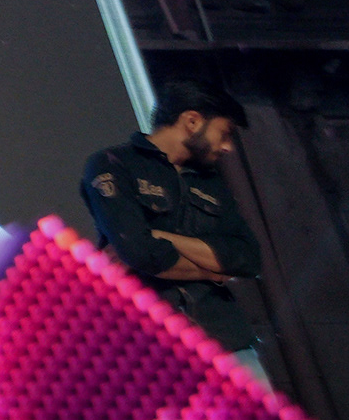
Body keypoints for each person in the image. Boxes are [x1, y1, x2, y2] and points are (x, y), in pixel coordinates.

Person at [80, 79, 279, 390]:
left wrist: (164, 236)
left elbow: (247, 258)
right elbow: (142, 253)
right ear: (192, 121)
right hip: (152, 352)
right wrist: (213, 271)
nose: (227, 147)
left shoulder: (211, 182)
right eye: (224, 133)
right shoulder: (113, 164)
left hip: (229, 344)